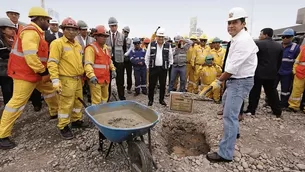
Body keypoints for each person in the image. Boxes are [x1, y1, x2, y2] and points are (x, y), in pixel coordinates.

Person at [0, 7, 59, 149]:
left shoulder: (37, 33)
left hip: (34, 73)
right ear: (39, 19)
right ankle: (2, 135)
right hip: (25, 75)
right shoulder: (31, 32)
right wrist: (43, 71)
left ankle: (55, 112)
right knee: (17, 103)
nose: (48, 23)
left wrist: (42, 72)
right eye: (46, 20)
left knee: (50, 90)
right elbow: (31, 55)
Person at [206, 7, 258, 162]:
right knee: (226, 102)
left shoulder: (243, 41)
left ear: (243, 23)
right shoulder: (237, 38)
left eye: (235, 22)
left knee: (229, 116)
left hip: (239, 81)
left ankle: (225, 154)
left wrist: (219, 81)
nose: (230, 26)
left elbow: (232, 68)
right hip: (236, 80)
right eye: (229, 23)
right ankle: (235, 132)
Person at [48, 17, 87, 140]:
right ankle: (63, 126)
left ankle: (76, 120)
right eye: (68, 29)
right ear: (63, 30)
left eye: (73, 29)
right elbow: (52, 62)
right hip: (66, 80)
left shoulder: (78, 45)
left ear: (77, 31)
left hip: (77, 79)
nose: (71, 32)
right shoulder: (57, 43)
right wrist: (55, 80)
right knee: (65, 104)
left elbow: (80, 62)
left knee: (78, 101)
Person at [245, 28, 282, 117]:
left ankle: (251, 110)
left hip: (258, 73)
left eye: (261, 34)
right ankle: (277, 111)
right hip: (272, 73)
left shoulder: (258, 44)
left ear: (265, 35)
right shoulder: (279, 46)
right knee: (272, 92)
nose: (259, 36)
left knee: (255, 92)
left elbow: (253, 58)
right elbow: (279, 61)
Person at [84, 25, 116, 105]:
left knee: (104, 99)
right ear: (96, 36)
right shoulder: (91, 48)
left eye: (105, 36)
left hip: (105, 79)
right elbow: (88, 64)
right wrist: (91, 75)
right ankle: (96, 115)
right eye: (101, 36)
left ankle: (102, 114)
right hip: (96, 80)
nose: (104, 38)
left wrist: (113, 69)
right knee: (96, 101)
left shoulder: (105, 48)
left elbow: (109, 61)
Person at [145, 27, 173, 106]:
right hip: (153, 68)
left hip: (163, 68)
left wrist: (169, 65)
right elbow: (147, 56)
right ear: (156, 37)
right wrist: (147, 66)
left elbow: (170, 57)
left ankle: (161, 100)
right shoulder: (152, 44)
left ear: (164, 37)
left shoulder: (168, 45)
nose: (160, 38)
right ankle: (150, 100)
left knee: (163, 85)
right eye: (159, 36)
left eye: (162, 37)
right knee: (151, 85)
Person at [277, 28, 300, 109]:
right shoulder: (278, 45)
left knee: (285, 90)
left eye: (287, 36)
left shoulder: (296, 47)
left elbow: (297, 60)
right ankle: (270, 101)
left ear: (292, 37)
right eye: (283, 37)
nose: (285, 38)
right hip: (277, 71)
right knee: (272, 88)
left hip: (287, 72)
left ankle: (283, 104)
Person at [106, 17, 126, 100]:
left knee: (120, 80)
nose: (113, 27)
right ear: (109, 26)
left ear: (117, 26)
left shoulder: (122, 36)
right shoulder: (106, 35)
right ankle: (107, 97)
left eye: (114, 26)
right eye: (111, 26)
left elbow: (124, 48)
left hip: (119, 61)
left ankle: (121, 96)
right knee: (108, 80)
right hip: (108, 61)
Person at [0, 18, 16, 105]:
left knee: (10, 90)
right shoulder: (1, 41)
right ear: (2, 30)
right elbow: (4, 54)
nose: (13, 31)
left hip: (8, 70)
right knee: (7, 90)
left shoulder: (11, 39)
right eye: (10, 29)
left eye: (13, 29)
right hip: (2, 71)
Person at [288, 44, 305, 112]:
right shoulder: (303, 48)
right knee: (296, 90)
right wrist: (294, 70)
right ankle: (293, 106)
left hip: (300, 72)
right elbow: (297, 61)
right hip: (300, 72)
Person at [122, 26, 133, 94]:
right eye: (125, 31)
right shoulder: (119, 39)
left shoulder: (130, 40)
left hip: (128, 59)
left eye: (127, 32)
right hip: (121, 59)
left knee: (129, 74)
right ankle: (122, 88)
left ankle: (129, 88)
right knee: (121, 75)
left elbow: (131, 48)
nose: (125, 33)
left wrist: (125, 54)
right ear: (122, 31)